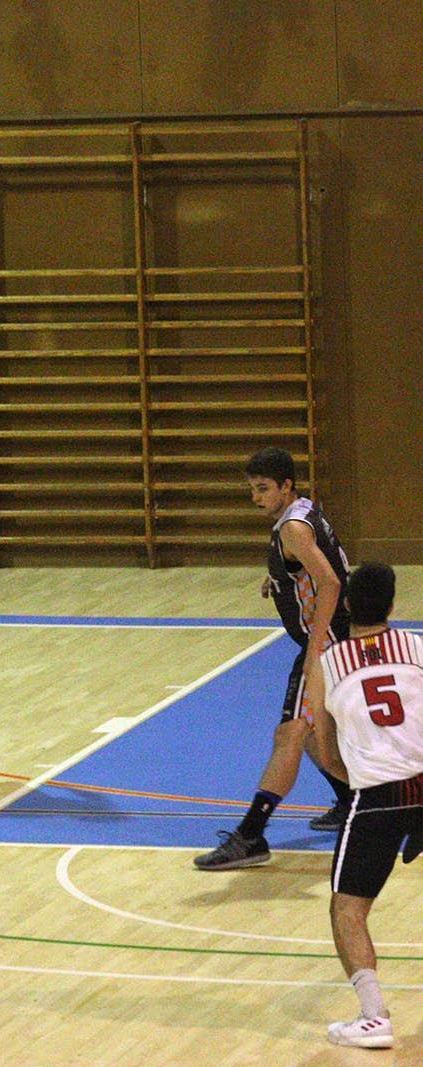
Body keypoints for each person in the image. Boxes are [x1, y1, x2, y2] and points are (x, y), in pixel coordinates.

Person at [195, 446, 353, 870]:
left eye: (263, 489)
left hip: (327, 645)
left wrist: (316, 648)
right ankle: (350, 801)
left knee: (289, 735)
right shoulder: (304, 513)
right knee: (314, 734)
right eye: (251, 490)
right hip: (336, 640)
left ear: (287, 485)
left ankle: (251, 835)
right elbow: (317, 564)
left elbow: (331, 582)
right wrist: (279, 578)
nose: (256, 497)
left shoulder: (293, 530)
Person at [304, 563, 423, 1049]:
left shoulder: (327, 664)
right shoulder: (418, 649)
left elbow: (322, 745)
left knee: (348, 910)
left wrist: (352, 781)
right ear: (394, 606)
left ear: (347, 605)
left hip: (375, 796)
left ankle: (374, 1017)